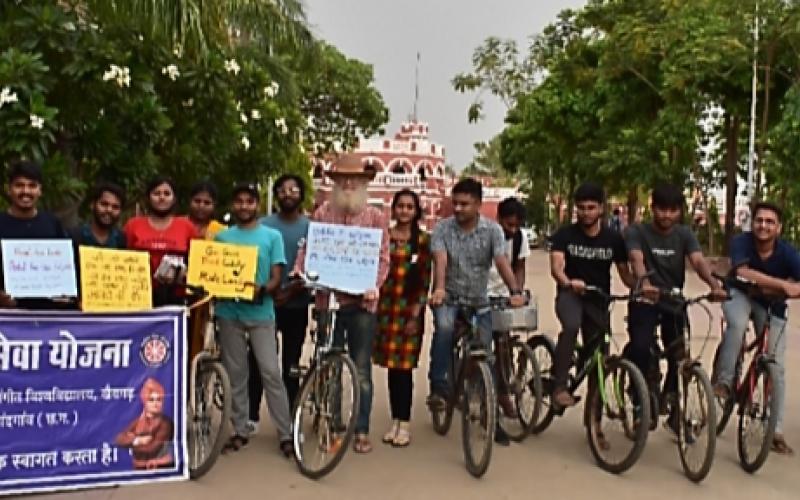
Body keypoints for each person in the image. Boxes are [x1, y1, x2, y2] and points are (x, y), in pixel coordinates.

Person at [294, 154, 390, 454]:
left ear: (364, 184)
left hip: (362, 304)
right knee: (328, 363)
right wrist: (300, 270)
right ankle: (332, 423)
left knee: (361, 368)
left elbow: (383, 257)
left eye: (356, 180)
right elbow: (309, 247)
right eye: (343, 180)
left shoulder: (376, 218)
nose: (349, 184)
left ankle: (360, 428)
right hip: (329, 301)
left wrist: (375, 285)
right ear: (335, 184)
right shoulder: (323, 213)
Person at [624, 183, 726, 434]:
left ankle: (673, 405)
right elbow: (636, 259)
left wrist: (714, 285)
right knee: (640, 348)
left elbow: (698, 262)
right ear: (653, 208)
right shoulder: (637, 232)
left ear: (679, 211)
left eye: (672, 210)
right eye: (661, 209)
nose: (666, 216)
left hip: (673, 301)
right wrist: (644, 283)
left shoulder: (684, 235)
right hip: (645, 299)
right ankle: (639, 402)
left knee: (679, 356)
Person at [427, 178, 525, 413]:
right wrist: (439, 288)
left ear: (479, 204)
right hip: (448, 297)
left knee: (485, 348)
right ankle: (439, 387)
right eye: (456, 203)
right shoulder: (442, 228)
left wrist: (515, 291)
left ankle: (484, 395)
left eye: (465, 204)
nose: (458, 208)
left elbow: (502, 262)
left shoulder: (493, 231)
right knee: (445, 329)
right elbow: (441, 260)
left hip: (479, 299)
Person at [713, 202, 800, 455]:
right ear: (753, 223)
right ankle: (725, 382)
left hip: (771, 306)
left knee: (776, 366)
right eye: (759, 220)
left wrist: (781, 289)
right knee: (737, 325)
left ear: (779, 228)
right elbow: (743, 272)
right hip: (739, 294)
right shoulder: (742, 242)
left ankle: (776, 430)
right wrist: (782, 285)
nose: (763, 226)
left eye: (770, 222)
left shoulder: (788, 253)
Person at [215, 182, 293, 457]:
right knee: (236, 374)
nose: (244, 206)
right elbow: (214, 273)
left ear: (257, 205)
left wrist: (263, 289)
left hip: (261, 312)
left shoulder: (271, 237)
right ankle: (239, 429)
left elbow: (276, 277)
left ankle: (286, 433)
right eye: (239, 201)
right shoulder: (222, 238)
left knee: (271, 372)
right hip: (229, 312)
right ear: (232, 205)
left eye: (249, 201)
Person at [549, 183, 633, 409]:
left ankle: (594, 425)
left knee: (599, 360)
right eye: (581, 208)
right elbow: (556, 267)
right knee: (571, 325)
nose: (586, 212)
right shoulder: (565, 235)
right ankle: (559, 385)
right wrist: (568, 282)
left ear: (601, 209)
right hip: (570, 295)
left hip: (599, 300)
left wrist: (641, 289)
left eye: (591, 207)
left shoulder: (613, 239)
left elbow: (625, 274)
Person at [248, 174, 311, 434]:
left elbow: (314, 263)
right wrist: (270, 291)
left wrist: (294, 289)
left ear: (301, 195)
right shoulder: (262, 225)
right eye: (282, 190)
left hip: (297, 305)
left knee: (291, 365)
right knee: (259, 362)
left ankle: (290, 418)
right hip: (265, 305)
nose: (288, 193)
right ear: (275, 195)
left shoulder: (311, 227)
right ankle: (251, 416)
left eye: (293, 189)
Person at [373, 189, 432, 447]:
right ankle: (394, 421)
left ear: (416, 211)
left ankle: (404, 423)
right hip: (385, 310)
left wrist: (416, 314)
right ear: (394, 209)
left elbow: (425, 280)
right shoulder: (384, 237)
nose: (405, 211)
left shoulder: (423, 242)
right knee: (391, 367)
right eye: (401, 206)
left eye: (410, 207)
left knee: (405, 369)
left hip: (409, 311)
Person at [486, 196, 531, 445]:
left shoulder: (520, 239)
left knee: (503, 347)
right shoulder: (487, 236)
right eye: (508, 224)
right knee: (481, 347)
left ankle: (502, 393)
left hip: (504, 296)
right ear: (499, 219)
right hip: (481, 295)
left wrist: (518, 292)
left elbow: (520, 268)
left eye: (516, 225)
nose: (512, 230)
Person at [0, 160, 72, 310]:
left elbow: (65, 270)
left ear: (40, 190)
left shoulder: (52, 224)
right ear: (9, 189)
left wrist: (65, 293)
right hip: (6, 319)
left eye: (32, 185)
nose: (26, 191)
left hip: (47, 317)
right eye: (19, 185)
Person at [124, 177, 198, 306]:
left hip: (176, 297)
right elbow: (122, 258)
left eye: (167, 193)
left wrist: (183, 273)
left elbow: (196, 263)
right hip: (138, 296)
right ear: (148, 197)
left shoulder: (187, 226)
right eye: (156, 193)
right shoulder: (133, 225)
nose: (162, 197)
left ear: (174, 198)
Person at [115, 378, 174, 470]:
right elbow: (119, 439)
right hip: (139, 468)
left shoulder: (165, 423)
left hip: (160, 469)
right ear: (145, 402)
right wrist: (137, 440)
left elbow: (151, 449)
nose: (155, 404)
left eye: (159, 400)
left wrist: (130, 441)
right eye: (151, 400)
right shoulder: (138, 421)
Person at [70, 181, 127, 249]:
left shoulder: (120, 240)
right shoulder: (74, 236)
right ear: (92, 205)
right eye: (104, 204)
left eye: (115, 207)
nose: (109, 210)